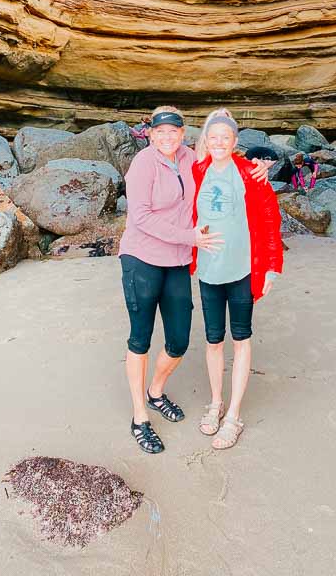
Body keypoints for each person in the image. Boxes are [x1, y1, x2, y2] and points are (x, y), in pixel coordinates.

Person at [118, 106, 269, 455]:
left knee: (178, 342)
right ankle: (140, 417)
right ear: (150, 135)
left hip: (177, 260)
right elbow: (139, 217)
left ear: (185, 133)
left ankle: (155, 392)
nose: (168, 137)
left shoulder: (190, 158)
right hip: (141, 258)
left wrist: (258, 166)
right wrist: (191, 237)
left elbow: (224, 156)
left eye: (175, 131)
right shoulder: (143, 164)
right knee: (140, 338)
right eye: (161, 132)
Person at [192, 114, 283, 450]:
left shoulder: (249, 173)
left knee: (241, 338)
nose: (219, 143)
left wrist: (272, 266)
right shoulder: (197, 170)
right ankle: (215, 403)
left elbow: (271, 220)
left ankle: (233, 415)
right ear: (206, 140)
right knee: (214, 339)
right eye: (213, 138)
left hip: (243, 270)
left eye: (225, 138)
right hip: (208, 271)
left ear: (234, 142)